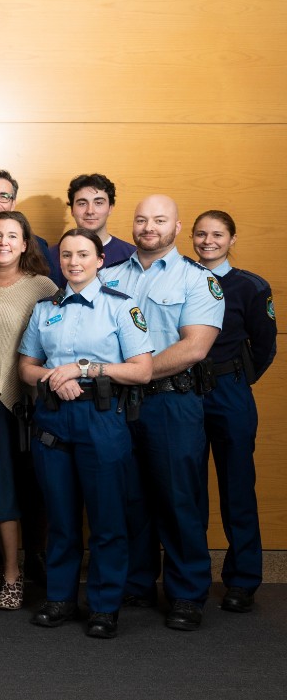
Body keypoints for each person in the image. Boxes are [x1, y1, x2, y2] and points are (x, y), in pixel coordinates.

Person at [19, 229, 153, 638]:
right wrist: (53, 378)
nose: (74, 262)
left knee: (107, 518)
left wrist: (85, 369)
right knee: (60, 517)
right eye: (67, 256)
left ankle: (104, 605)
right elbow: (26, 366)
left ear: (99, 261)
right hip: (54, 417)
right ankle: (60, 598)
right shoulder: (45, 308)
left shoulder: (121, 307)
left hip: (102, 417)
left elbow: (142, 369)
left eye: (83, 255)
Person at [106, 195, 224, 631]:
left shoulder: (198, 280)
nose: (148, 227)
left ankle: (187, 592)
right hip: (118, 403)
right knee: (129, 496)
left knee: (178, 497)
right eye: (141, 219)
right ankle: (137, 581)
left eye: (159, 220)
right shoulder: (109, 274)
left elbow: (195, 346)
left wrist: (135, 372)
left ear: (177, 228)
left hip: (171, 401)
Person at [0, 211, 57, 612]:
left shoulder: (43, 287)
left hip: (14, 404)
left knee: (4, 494)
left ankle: (13, 576)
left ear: (25, 244)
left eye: (12, 236)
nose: (2, 241)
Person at [191, 210, 276, 613]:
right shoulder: (183, 278)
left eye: (217, 234)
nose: (208, 241)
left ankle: (242, 580)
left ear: (232, 238)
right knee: (188, 489)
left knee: (237, 486)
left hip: (230, 390)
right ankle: (191, 578)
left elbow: (265, 345)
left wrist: (237, 379)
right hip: (186, 389)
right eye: (201, 234)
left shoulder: (250, 286)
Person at [45, 173, 135, 288]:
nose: (90, 211)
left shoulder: (131, 256)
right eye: (82, 203)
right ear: (72, 209)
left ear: (110, 208)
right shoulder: (49, 257)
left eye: (98, 203)